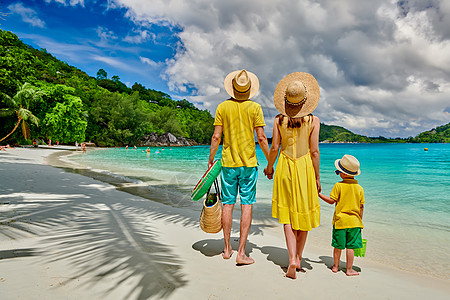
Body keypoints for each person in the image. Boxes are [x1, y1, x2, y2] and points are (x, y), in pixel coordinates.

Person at [208, 69, 270, 265]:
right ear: (249, 89)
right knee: (247, 205)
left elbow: (216, 137)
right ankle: (241, 252)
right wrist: (270, 162)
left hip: (228, 163)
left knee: (228, 204)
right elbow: (261, 137)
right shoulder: (255, 108)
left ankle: (227, 249)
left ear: (233, 88)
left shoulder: (222, 107)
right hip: (249, 165)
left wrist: (211, 159)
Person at [264, 72, 321, 279]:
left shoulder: (279, 119)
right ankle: (299, 257)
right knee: (303, 214)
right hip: (304, 166)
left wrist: (269, 167)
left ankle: (291, 260)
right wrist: (317, 177)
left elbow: (275, 148)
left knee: (287, 216)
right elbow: (314, 151)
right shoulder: (313, 120)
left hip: (285, 166)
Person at [319, 154, 364, 276]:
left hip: (340, 222)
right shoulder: (359, 188)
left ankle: (335, 266)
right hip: (354, 222)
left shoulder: (338, 186)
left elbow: (331, 201)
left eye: (338, 172)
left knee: (338, 246)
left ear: (343, 173)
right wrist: (359, 220)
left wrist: (319, 195)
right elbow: (361, 207)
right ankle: (349, 270)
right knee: (350, 247)